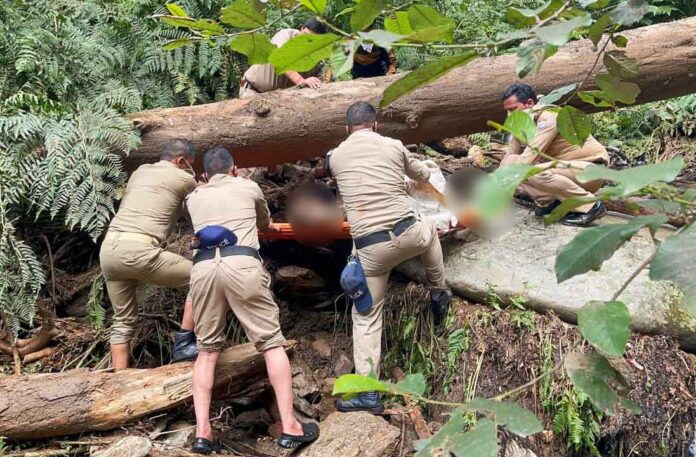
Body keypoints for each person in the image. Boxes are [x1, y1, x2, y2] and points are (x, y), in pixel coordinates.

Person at [186, 146, 319, 454]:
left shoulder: (194, 197)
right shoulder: (248, 186)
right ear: (234, 169)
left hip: (203, 269)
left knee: (206, 352)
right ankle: (290, 426)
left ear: (205, 175)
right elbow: (264, 225)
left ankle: (202, 433)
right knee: (272, 344)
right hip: (241, 264)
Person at [325, 102, 450, 414]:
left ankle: (368, 393)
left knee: (365, 318)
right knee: (429, 231)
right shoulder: (393, 145)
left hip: (371, 251)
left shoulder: (336, 156)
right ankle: (438, 291)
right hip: (408, 234)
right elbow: (423, 175)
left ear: (347, 129)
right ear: (375, 125)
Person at [100, 139, 199, 369]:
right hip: (140, 250)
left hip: (109, 251)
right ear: (181, 161)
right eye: (190, 164)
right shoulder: (184, 178)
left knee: (122, 322)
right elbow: (202, 203)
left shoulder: (140, 171)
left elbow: (166, 201)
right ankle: (184, 342)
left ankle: (119, 380)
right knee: (201, 277)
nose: (190, 170)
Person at [501, 82, 609, 226]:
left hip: (591, 171)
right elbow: (506, 162)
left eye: (513, 109)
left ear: (529, 103)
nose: (509, 115)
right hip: (565, 171)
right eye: (507, 111)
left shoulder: (550, 116)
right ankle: (550, 203)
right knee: (511, 163)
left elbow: (528, 159)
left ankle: (590, 206)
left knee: (528, 169)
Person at [239, 18, 327, 97]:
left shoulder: (316, 56)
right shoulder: (285, 35)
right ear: (302, 29)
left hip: (280, 100)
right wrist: (300, 81)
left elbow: (320, 82)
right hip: (252, 91)